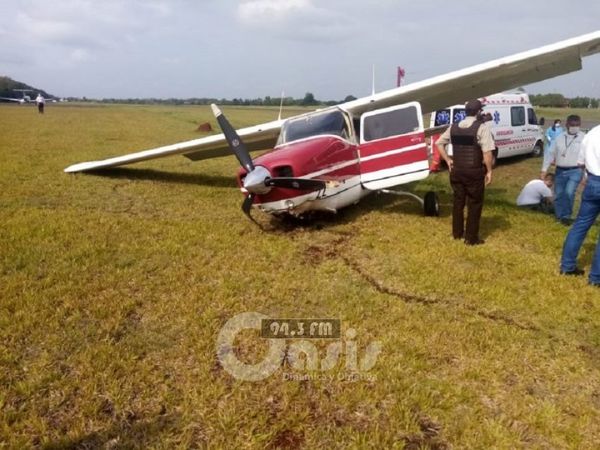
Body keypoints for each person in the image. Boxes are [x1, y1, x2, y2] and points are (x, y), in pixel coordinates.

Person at [436, 99, 495, 245]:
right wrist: (489, 171)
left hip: (456, 171)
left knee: (458, 202)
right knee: (474, 204)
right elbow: (487, 154)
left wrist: (448, 160)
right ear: (479, 112)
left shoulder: (454, 127)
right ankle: (471, 238)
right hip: (474, 172)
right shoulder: (481, 128)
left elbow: (439, 143)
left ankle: (456, 234)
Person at [560, 125, 600, 285]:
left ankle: (567, 266)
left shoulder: (592, 132)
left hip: (592, 182)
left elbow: (580, 162)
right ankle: (596, 278)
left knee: (580, 225)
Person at [540, 115, 586, 225]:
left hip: (576, 170)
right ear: (567, 125)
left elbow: (588, 155)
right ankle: (559, 216)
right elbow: (550, 154)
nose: (574, 127)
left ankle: (566, 217)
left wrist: (586, 174)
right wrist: (544, 169)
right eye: (572, 125)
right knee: (559, 194)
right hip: (560, 170)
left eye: (577, 125)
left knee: (569, 192)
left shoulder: (584, 138)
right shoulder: (559, 138)